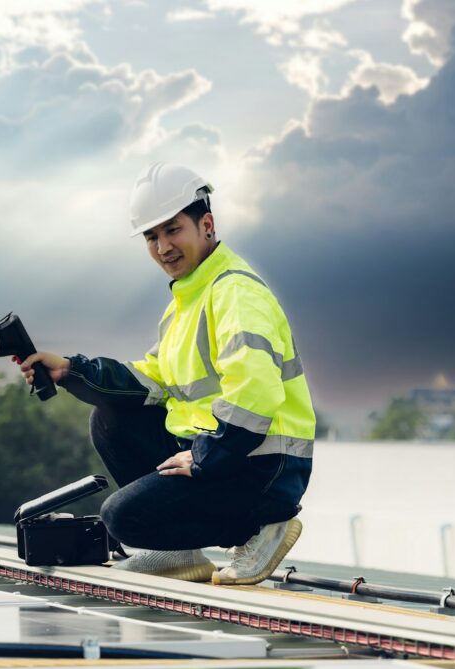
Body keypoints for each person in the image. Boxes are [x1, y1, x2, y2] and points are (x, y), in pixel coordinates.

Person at [16, 163, 315, 585]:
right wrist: (71, 370)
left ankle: (264, 526)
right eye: (152, 237)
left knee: (122, 517)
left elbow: (255, 394)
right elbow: (153, 380)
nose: (162, 247)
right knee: (109, 418)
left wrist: (203, 458)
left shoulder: (236, 292)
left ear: (206, 225)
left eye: (172, 230)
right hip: (226, 454)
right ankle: (179, 557)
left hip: (264, 468)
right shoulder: (190, 296)